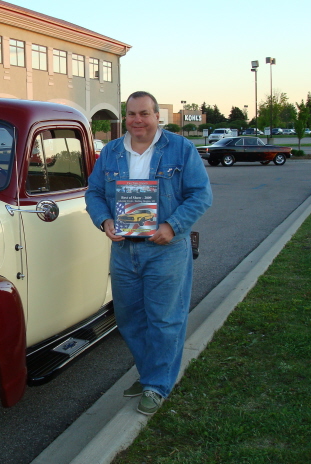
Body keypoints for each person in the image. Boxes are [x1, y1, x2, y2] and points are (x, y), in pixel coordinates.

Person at [85, 91, 212, 415]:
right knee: (129, 320)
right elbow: (95, 193)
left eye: (144, 113)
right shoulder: (112, 152)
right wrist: (105, 219)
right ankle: (151, 374)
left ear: (158, 117)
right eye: (131, 114)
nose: (137, 120)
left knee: (164, 320)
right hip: (125, 250)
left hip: (165, 249)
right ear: (124, 118)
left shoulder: (180, 149)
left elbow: (201, 194)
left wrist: (172, 225)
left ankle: (157, 385)